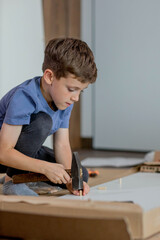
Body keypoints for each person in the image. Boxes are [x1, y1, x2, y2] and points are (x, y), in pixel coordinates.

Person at [0, 38, 97, 196]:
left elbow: (62, 145)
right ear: (50, 77)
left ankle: (27, 178)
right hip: (5, 152)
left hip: (27, 151)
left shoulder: (64, 101)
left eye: (81, 91)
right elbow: (3, 152)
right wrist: (45, 168)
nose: (76, 98)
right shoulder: (24, 97)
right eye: (72, 89)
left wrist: (70, 181)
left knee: (79, 174)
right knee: (42, 122)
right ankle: (12, 181)